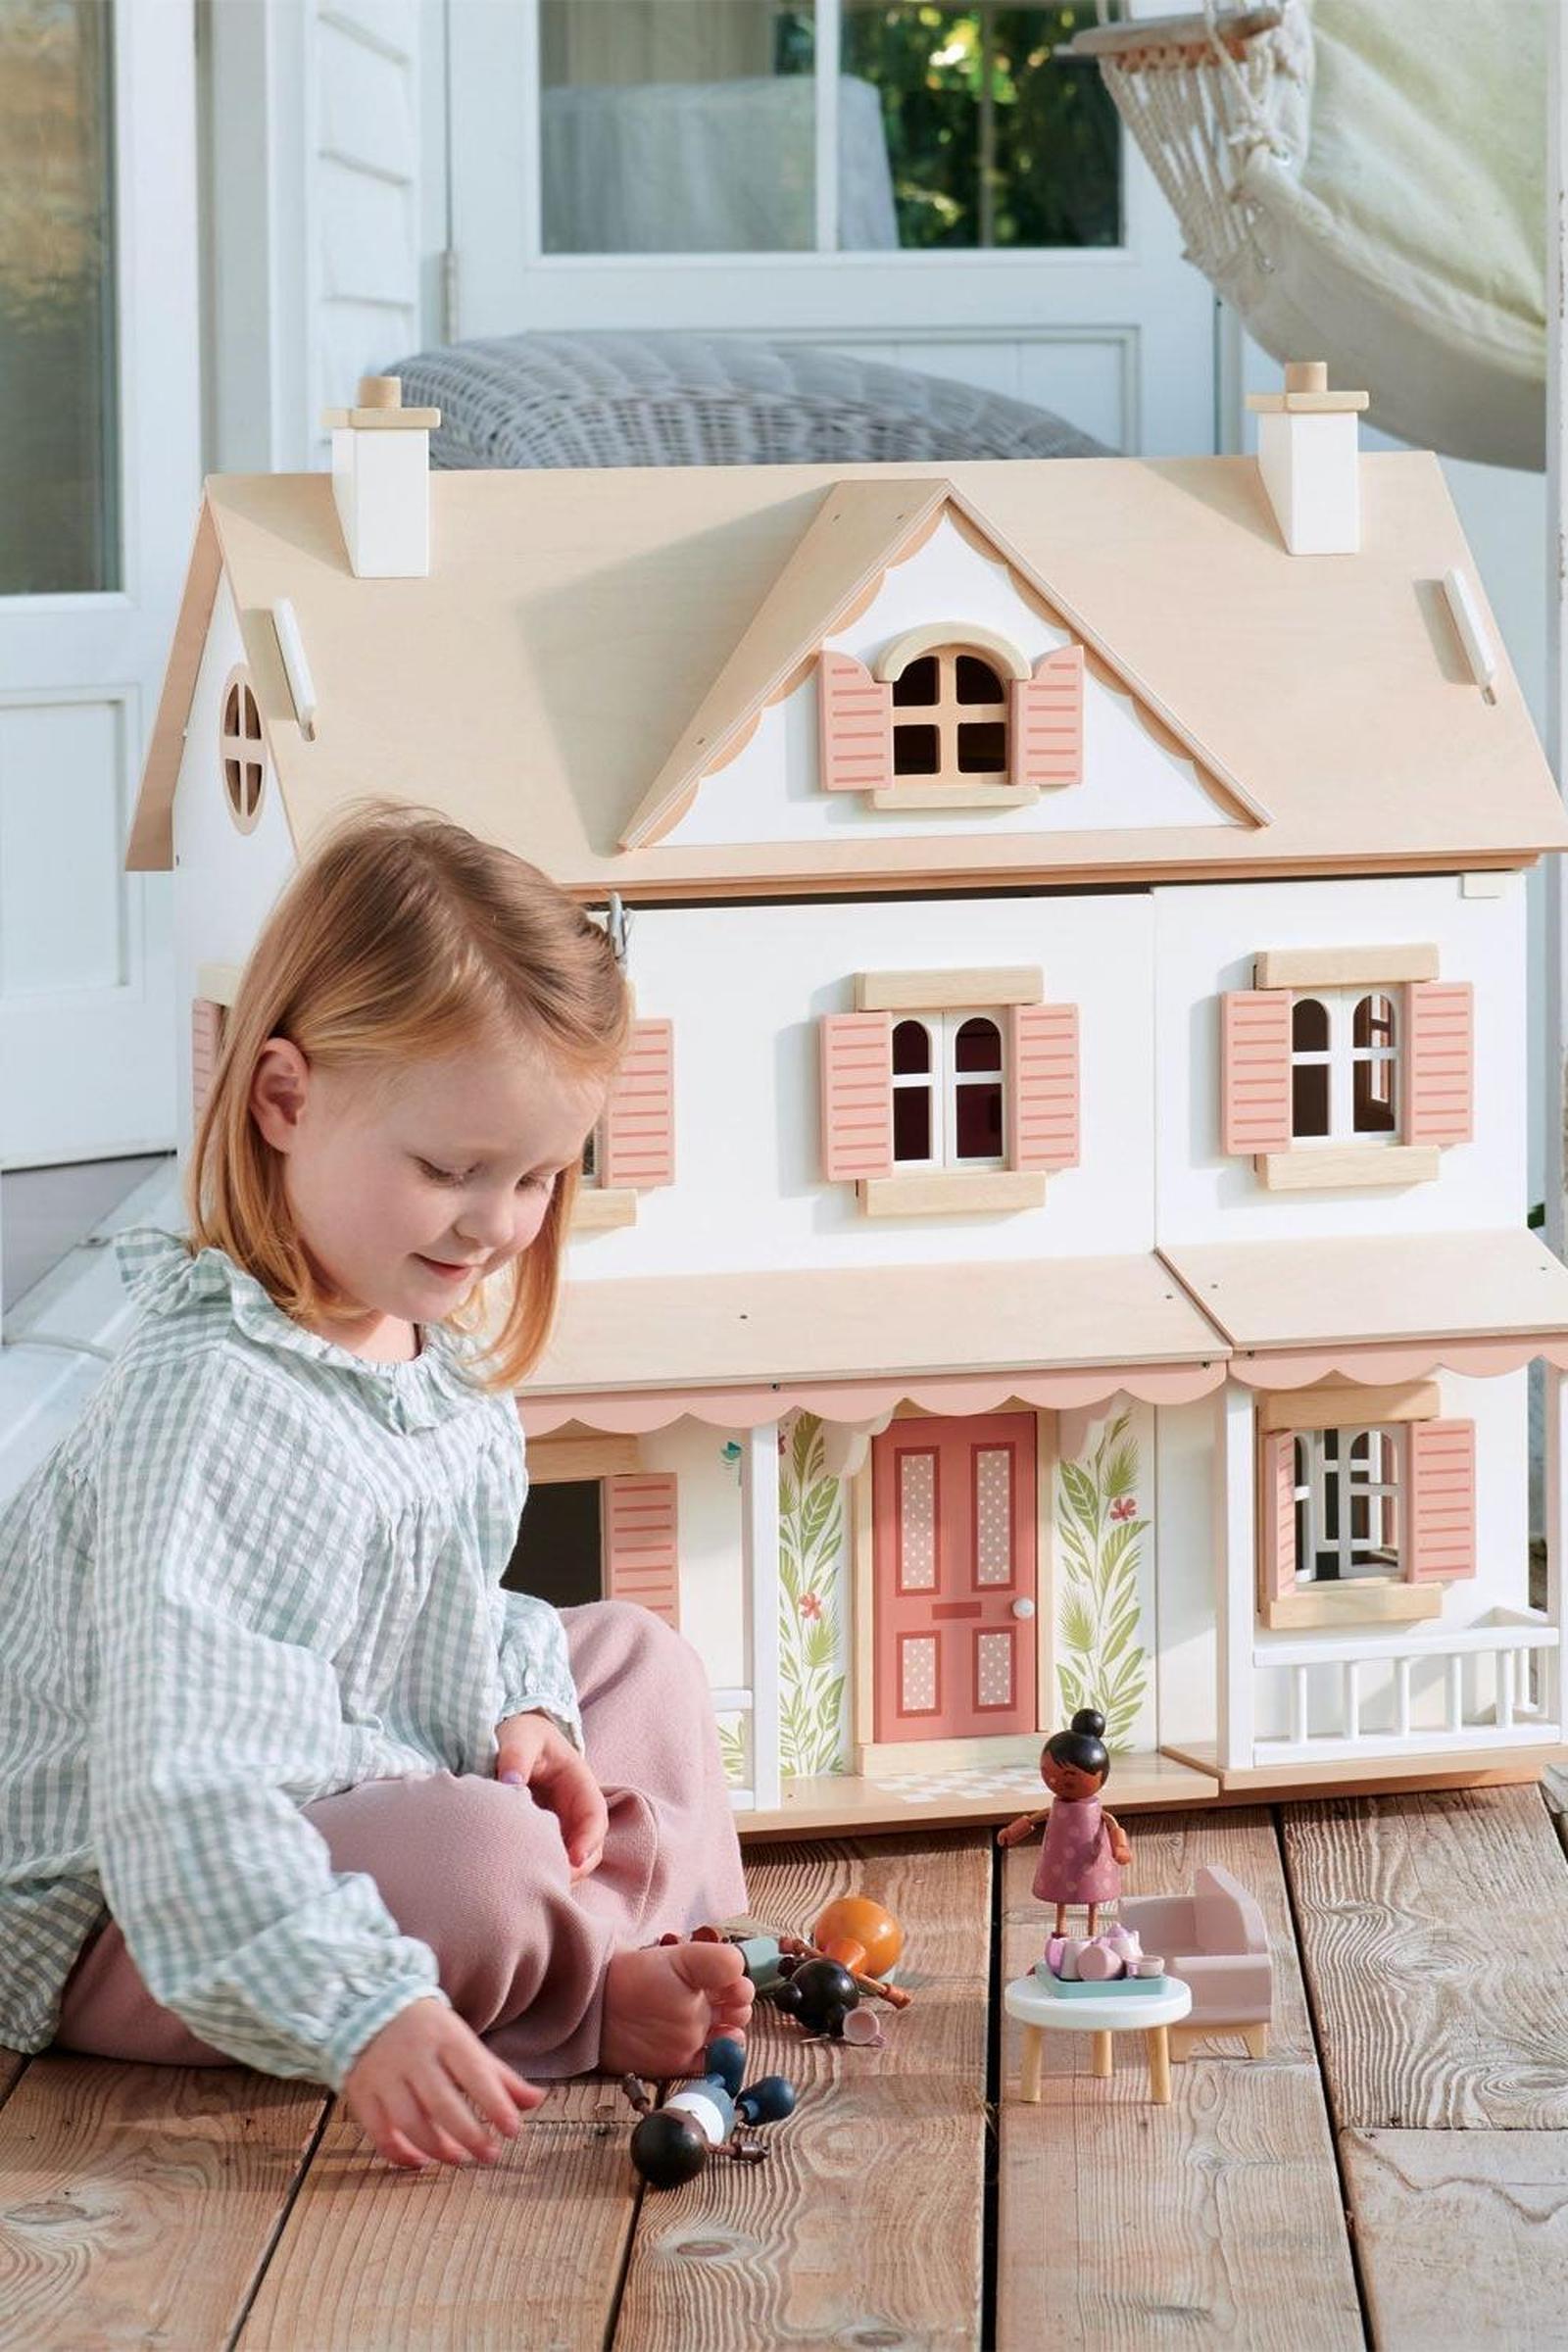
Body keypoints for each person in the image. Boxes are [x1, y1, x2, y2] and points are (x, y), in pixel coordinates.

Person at [0, 801, 753, 2172]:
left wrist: (525, 1710)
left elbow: (441, 1613)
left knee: (640, 1662)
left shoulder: (428, 1359)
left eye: (537, 1178)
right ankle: (590, 1989)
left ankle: (605, 1958)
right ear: (286, 1100)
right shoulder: (213, 1405)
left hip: (353, 1775)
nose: (496, 1225)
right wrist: (359, 2008)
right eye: (450, 1171)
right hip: (135, 1904)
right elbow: (181, 1794)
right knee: (479, 1858)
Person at [996, 1707, 1132, 1936]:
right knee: (1061, 1899)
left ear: (1099, 1774)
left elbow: (1112, 1824)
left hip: (1092, 1861)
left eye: (1069, 1777)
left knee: (1093, 1899)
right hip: (1059, 1861)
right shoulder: (1058, 1808)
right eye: (1047, 1772)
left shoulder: (1094, 1810)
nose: (1054, 1780)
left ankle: (1091, 1935)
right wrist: (1013, 1831)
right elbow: (1035, 1818)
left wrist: (1120, 1846)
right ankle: (1060, 1933)